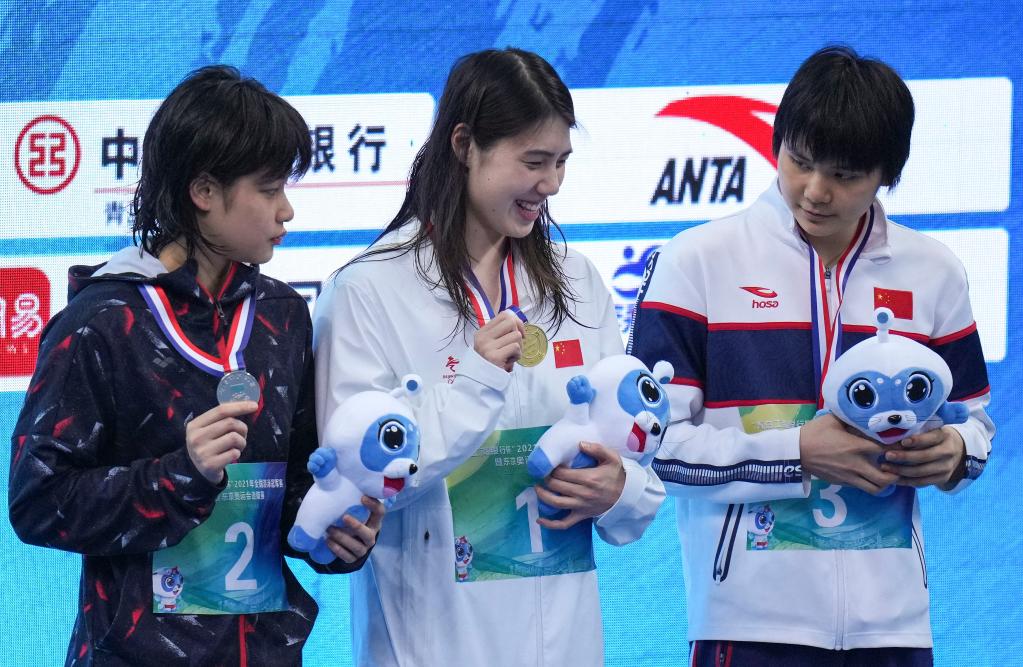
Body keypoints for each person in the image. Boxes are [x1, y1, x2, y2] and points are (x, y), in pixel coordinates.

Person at [629, 45, 994, 666]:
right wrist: (796, 452)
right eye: (800, 162)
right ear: (777, 143)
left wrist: (956, 452)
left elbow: (975, 423)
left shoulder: (933, 271)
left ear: (887, 174)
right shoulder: (696, 262)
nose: (816, 191)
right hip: (748, 623)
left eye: (845, 176)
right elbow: (652, 448)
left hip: (894, 629)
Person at [7, 65, 382, 666]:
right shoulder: (100, 323)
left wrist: (334, 530)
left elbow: (294, 487)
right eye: (269, 190)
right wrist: (177, 476)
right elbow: (38, 502)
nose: (287, 211)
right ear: (204, 192)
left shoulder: (283, 316)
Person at [312, 47, 665, 666]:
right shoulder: (367, 290)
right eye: (533, 161)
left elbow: (630, 458)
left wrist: (621, 491)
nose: (551, 184)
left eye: (561, 162)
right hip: (432, 644)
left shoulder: (578, 281)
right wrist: (475, 382)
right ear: (464, 144)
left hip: (565, 641)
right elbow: (361, 485)